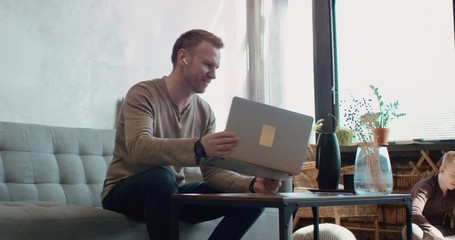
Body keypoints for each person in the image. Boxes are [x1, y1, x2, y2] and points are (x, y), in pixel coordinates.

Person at [101, 29, 282, 240]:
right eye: (208, 65)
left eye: (216, 68)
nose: (213, 75)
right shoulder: (143, 94)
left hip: (170, 194)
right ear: (183, 57)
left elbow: (212, 172)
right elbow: (138, 147)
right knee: (161, 177)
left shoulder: (205, 111)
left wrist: (251, 184)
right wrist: (198, 146)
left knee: (252, 198)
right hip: (124, 192)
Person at [403, 151, 455, 240]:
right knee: (412, 230)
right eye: (454, 175)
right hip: (421, 229)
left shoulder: (452, 188)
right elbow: (413, 212)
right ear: (442, 170)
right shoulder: (425, 187)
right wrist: (432, 230)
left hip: (441, 230)